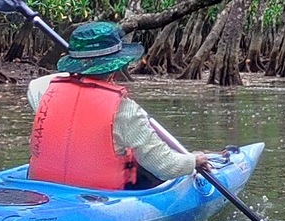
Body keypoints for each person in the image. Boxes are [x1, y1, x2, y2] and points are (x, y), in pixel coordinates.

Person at [27, 21, 210, 191]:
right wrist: (194, 161)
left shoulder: (44, 90)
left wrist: (80, 69)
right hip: (98, 200)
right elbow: (164, 167)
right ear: (116, 66)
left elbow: (38, 85)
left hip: (44, 191)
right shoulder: (125, 110)